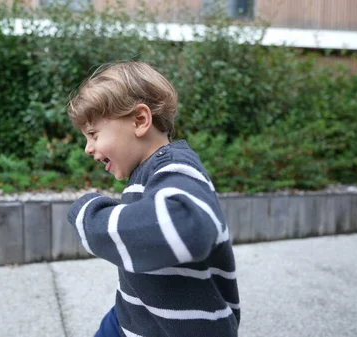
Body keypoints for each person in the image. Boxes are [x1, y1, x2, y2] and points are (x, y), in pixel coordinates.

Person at [66, 61, 240, 337]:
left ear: (139, 121)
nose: (88, 148)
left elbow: (186, 225)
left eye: (93, 134)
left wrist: (88, 214)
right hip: (132, 316)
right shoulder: (145, 173)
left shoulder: (176, 167)